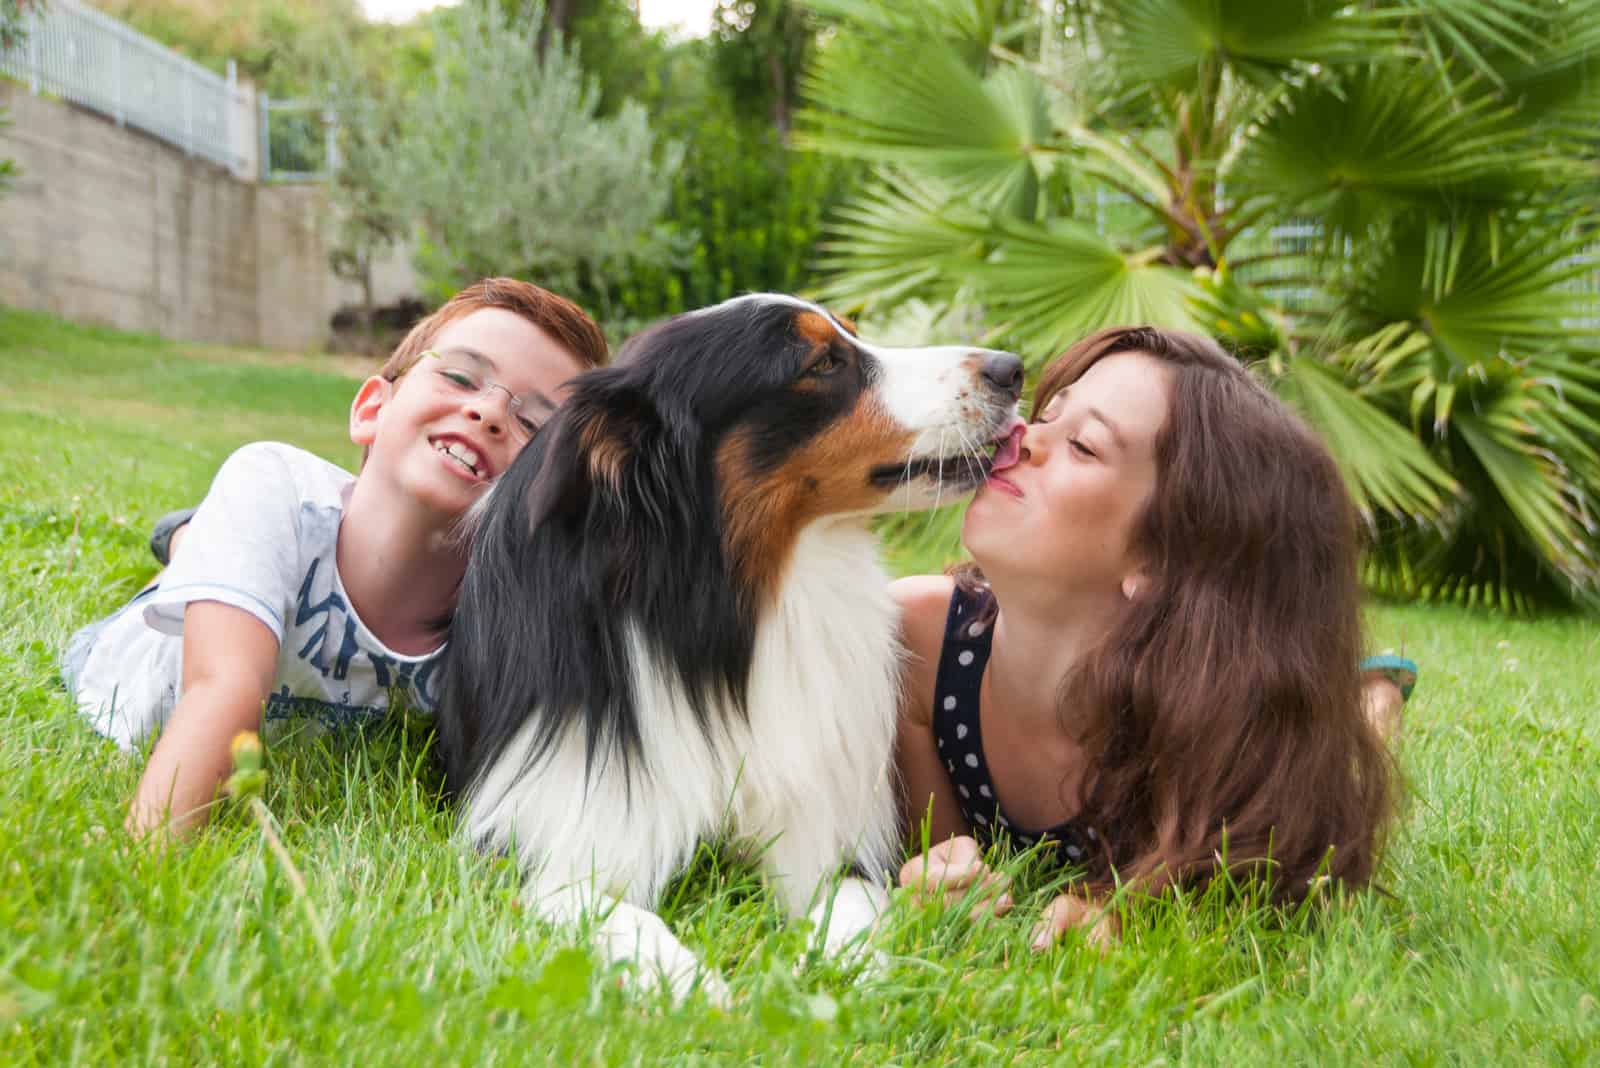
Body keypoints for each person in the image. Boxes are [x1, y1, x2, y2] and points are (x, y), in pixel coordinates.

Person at [890, 325, 1411, 946]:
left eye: (1083, 446)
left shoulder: (1217, 719)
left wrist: (1128, 905)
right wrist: (941, 878)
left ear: (1166, 560)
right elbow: (946, 852)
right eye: (1046, 416)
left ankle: (1376, 690)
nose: (1018, 437)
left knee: (1357, 725)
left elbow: (1279, 861)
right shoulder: (914, 645)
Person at [61, 278, 608, 839]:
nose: (491, 412)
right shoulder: (273, 481)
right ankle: (191, 540)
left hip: (296, 541)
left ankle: (196, 537)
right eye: (461, 376)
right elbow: (223, 686)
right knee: (255, 535)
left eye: (534, 428)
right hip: (123, 658)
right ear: (372, 408)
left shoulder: (512, 623)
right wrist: (148, 864)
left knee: (256, 544)